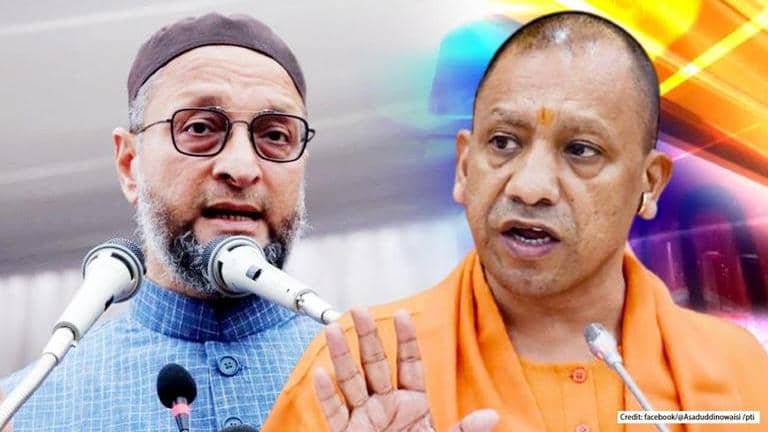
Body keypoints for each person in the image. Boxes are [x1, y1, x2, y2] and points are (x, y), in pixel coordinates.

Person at [262, 11, 768, 432]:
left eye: (580, 150)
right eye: (504, 143)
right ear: (465, 168)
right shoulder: (356, 377)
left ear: (649, 184)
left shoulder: (740, 373)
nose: (530, 187)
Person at [0, 13, 321, 431]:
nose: (242, 168)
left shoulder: (385, 375)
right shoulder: (24, 409)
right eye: (200, 128)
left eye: (276, 136)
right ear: (129, 164)